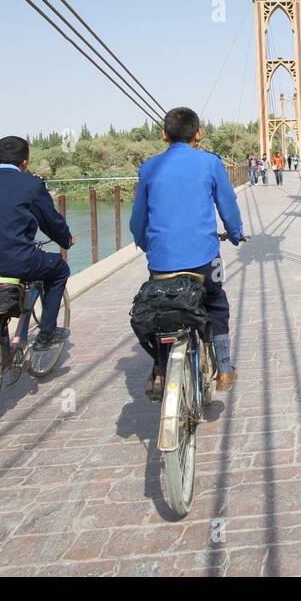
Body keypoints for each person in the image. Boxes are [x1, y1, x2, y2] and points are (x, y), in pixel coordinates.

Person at [130, 107, 245, 394]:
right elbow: (227, 206)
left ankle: (159, 368)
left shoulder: (149, 167)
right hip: (205, 261)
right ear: (198, 134)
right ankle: (225, 370)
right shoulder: (210, 163)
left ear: (163, 134)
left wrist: (148, 244)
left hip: (161, 263)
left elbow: (137, 221)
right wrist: (234, 234)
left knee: (161, 304)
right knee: (216, 301)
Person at [0, 136, 74, 350]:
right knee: (59, 268)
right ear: (25, 161)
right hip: (18, 261)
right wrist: (65, 239)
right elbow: (49, 220)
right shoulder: (31, 184)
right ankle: (47, 333)